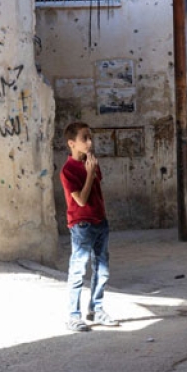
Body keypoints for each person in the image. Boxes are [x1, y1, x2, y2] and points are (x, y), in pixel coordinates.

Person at [60, 121, 120, 332]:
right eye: (84, 138)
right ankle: (73, 316)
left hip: (100, 222)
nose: (89, 142)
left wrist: (92, 170)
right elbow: (82, 200)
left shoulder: (91, 162)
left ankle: (96, 309)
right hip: (82, 225)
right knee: (78, 270)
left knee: (102, 270)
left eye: (90, 137)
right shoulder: (68, 170)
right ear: (72, 143)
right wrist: (90, 173)